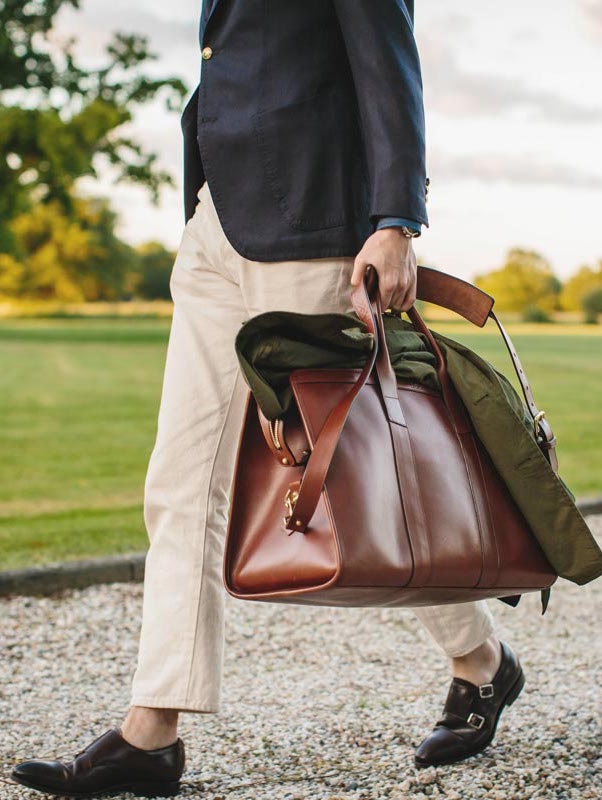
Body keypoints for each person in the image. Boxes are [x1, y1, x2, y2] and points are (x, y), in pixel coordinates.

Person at [12, 1, 525, 795]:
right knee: (181, 479)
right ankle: (153, 730)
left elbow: (388, 54)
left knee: (359, 483)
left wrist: (395, 220)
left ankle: (481, 659)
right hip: (215, 221)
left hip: (313, 223)